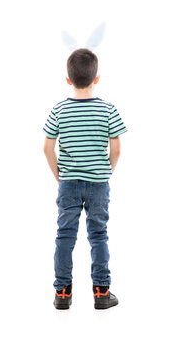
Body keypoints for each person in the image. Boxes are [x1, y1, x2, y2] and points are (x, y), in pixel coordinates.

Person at [43, 48, 127, 309]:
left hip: (68, 184)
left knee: (64, 236)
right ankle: (102, 293)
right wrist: (106, 172)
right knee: (99, 235)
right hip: (99, 184)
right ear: (97, 78)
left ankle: (62, 294)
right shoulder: (108, 110)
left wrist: (61, 177)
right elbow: (117, 149)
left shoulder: (59, 110)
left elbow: (47, 148)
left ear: (68, 80)